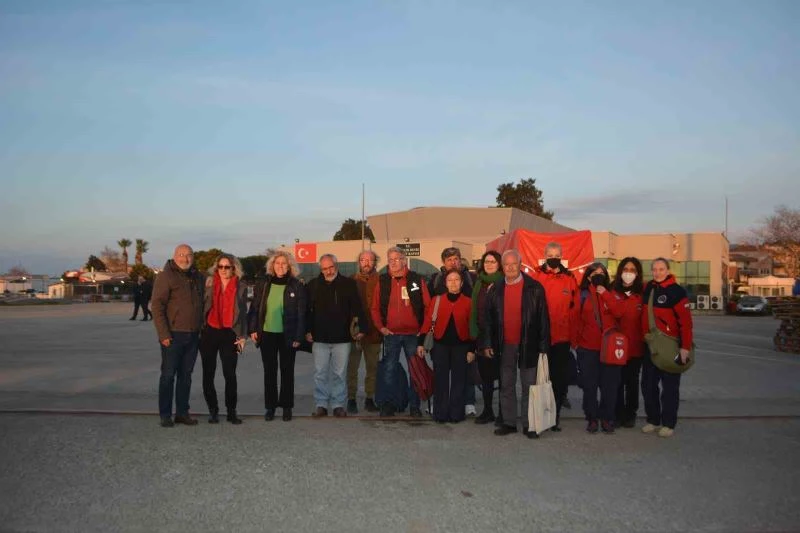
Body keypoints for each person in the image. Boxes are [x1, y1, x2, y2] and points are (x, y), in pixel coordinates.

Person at [481, 249, 550, 439]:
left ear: (520, 265)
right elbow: (487, 320)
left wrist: (544, 347)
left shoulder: (535, 288)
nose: (510, 268)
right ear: (503, 267)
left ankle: (530, 424)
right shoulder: (495, 289)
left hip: (529, 344)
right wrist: (487, 343)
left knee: (530, 386)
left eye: (514, 264)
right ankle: (509, 423)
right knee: (507, 384)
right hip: (504, 345)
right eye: (507, 264)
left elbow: (544, 319)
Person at [371, 246, 431, 417]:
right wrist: (381, 327)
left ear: (404, 260)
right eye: (390, 260)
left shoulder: (416, 280)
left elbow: (428, 307)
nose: (393, 263)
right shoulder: (382, 281)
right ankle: (388, 404)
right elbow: (374, 308)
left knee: (415, 371)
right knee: (389, 370)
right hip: (391, 335)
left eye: (397, 259)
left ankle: (414, 405)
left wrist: (423, 331)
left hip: (414, 334)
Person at [248, 251, 307, 422]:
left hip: (288, 335)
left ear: (290, 266)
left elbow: (302, 313)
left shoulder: (297, 285)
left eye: (284, 263)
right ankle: (270, 407)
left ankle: (287, 406)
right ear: (272, 266)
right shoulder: (264, 284)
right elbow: (255, 308)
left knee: (287, 372)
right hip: (267, 334)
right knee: (270, 372)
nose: (280, 266)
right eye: (277, 263)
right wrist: (253, 328)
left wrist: (299, 336)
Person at [151, 244, 205, 428]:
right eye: (181, 255)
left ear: (193, 257)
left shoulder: (197, 276)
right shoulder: (166, 276)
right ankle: (165, 415)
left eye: (189, 255)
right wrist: (163, 333)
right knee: (168, 375)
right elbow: (157, 306)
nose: (185, 258)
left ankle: (182, 413)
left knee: (186, 376)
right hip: (173, 335)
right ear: (174, 256)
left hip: (193, 335)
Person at [306, 254, 366, 418]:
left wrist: (361, 328)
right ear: (321, 269)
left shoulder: (348, 284)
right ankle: (321, 405)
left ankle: (339, 405)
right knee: (320, 373)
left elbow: (357, 308)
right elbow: (306, 311)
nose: (328, 271)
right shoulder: (313, 285)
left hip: (342, 338)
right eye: (325, 268)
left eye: (331, 267)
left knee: (340, 374)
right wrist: (307, 330)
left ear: (336, 266)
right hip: (320, 339)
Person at [641, 257, 694, 438]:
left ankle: (669, 423)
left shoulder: (676, 291)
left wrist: (685, 348)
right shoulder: (648, 288)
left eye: (661, 269)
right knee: (648, 386)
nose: (657, 272)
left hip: (670, 346)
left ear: (668, 270)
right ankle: (653, 419)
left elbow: (686, 323)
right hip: (651, 346)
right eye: (654, 269)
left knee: (670, 387)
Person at [531, 242, 579, 432]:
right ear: (544, 255)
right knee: (540, 379)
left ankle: (555, 416)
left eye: (557, 254)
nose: (553, 257)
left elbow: (575, 310)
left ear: (561, 256)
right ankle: (540, 415)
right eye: (550, 254)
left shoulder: (569, 278)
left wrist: (573, 338)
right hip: (540, 338)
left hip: (562, 339)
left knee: (559, 380)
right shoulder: (536, 276)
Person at [417, 269, 475, 423]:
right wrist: (421, 344)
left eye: (457, 280)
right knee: (440, 380)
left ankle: (456, 414)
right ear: (445, 283)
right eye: (450, 280)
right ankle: (440, 413)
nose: (453, 283)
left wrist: (471, 350)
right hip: (440, 345)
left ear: (462, 283)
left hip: (461, 346)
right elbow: (427, 322)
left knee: (459, 381)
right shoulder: (436, 300)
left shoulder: (469, 302)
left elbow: (473, 328)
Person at [572, 262, 621, 434]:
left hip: (609, 349)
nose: (598, 276)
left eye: (602, 273)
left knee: (609, 386)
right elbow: (575, 320)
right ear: (589, 276)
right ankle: (592, 418)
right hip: (587, 348)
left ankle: (607, 418)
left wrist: (605, 294)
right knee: (590, 386)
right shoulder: (582, 294)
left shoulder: (612, 293)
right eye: (595, 274)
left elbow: (619, 313)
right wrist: (575, 343)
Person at [428, 247, 477, 417]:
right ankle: (439, 408)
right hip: (441, 338)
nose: (453, 262)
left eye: (456, 258)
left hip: (462, 339)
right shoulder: (435, 279)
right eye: (449, 259)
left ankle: (466, 404)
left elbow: (474, 320)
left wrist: (473, 347)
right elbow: (429, 308)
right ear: (444, 262)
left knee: (462, 376)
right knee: (440, 375)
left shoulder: (471, 278)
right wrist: (423, 339)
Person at [200, 253, 248, 425]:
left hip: (230, 334)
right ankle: (213, 411)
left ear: (233, 268)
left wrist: (243, 336)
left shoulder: (240, 286)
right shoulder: (209, 284)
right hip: (209, 332)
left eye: (227, 267)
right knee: (208, 374)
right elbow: (200, 306)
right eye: (220, 266)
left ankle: (231, 411)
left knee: (230, 374)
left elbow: (243, 314)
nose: (223, 270)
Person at [606, 257, 645, 428]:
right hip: (616, 347)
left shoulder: (642, 293)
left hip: (635, 347)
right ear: (620, 271)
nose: (628, 273)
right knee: (617, 381)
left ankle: (631, 413)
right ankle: (618, 412)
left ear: (637, 273)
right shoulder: (612, 290)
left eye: (632, 270)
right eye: (626, 269)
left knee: (632, 382)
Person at [469, 250, 504, 425]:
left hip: (500, 336)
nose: (489, 264)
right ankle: (488, 410)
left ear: (499, 264)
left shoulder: (504, 282)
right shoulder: (479, 282)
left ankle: (503, 413)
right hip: (482, 334)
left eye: (493, 262)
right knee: (486, 376)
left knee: (504, 376)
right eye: (487, 261)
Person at [348, 250, 382, 413]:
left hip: (374, 333)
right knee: (352, 368)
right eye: (363, 260)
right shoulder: (350, 282)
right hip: (354, 334)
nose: (366, 263)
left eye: (370, 260)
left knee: (372, 369)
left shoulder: (382, 281)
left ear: (375, 262)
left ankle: (370, 398)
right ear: (359, 262)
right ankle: (351, 399)